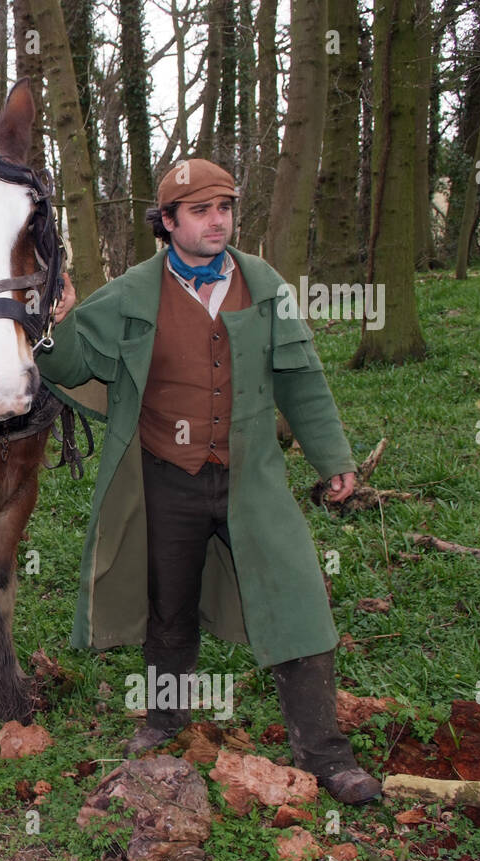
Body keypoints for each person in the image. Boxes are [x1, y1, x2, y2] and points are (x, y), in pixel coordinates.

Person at [36, 158, 380, 805]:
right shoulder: (134, 292)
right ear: (168, 222)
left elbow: (302, 375)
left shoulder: (263, 282)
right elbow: (77, 361)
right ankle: (167, 719)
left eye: (224, 207)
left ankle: (328, 755)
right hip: (168, 476)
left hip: (253, 478)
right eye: (200, 209)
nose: (217, 219)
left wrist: (333, 455)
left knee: (298, 599)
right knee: (170, 608)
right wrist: (60, 323)